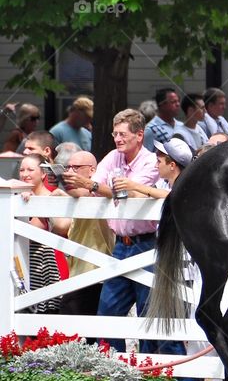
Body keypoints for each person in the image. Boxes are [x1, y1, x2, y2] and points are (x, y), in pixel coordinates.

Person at [63, 109, 165, 353]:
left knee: (146, 309)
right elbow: (96, 189)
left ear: (139, 135)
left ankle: (149, 370)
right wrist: (68, 184)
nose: (117, 139)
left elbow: (130, 193)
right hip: (120, 244)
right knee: (108, 308)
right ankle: (113, 365)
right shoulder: (112, 157)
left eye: (122, 134)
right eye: (114, 133)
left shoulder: (150, 161)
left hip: (146, 243)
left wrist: (94, 185)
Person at [58, 151, 115, 316]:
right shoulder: (74, 195)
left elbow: (85, 193)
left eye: (76, 168)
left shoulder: (98, 191)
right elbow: (61, 226)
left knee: (72, 327)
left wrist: (61, 188)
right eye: (68, 167)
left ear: (92, 170)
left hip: (94, 272)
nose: (70, 172)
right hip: (76, 272)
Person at [17, 154, 70, 314]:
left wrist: (36, 206)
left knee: (47, 318)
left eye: (30, 170)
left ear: (43, 174)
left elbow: (63, 227)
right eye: (21, 170)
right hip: (23, 266)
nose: (25, 174)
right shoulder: (16, 198)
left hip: (48, 267)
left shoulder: (52, 195)